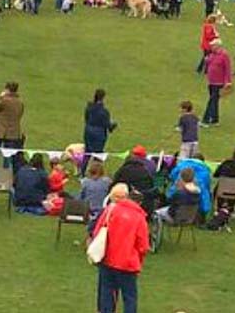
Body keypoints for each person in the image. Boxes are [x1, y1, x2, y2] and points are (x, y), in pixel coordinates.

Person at [92, 183, 150, 313]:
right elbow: (143, 245)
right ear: (139, 203)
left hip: (108, 259)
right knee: (129, 297)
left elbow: (97, 231)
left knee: (107, 293)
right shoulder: (140, 218)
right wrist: (139, 261)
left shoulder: (111, 210)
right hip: (128, 264)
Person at [0, 82, 25, 169]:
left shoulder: (4, 100)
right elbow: (20, 114)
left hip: (0, 131)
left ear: (7, 90)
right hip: (13, 132)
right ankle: (5, 171)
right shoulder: (20, 102)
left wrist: (0, 97)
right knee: (7, 154)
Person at [202, 39, 232, 126]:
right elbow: (209, 63)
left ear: (218, 46)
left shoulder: (224, 55)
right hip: (211, 82)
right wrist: (207, 60)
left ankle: (206, 120)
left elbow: (228, 69)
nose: (211, 47)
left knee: (211, 101)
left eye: (213, 46)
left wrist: (228, 81)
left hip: (219, 83)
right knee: (214, 101)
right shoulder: (212, 54)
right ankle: (215, 120)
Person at [84, 89, 116, 156]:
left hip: (88, 131)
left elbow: (86, 119)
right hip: (99, 134)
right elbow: (108, 126)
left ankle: (84, 163)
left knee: (87, 153)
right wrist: (113, 125)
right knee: (98, 154)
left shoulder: (89, 108)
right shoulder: (104, 112)